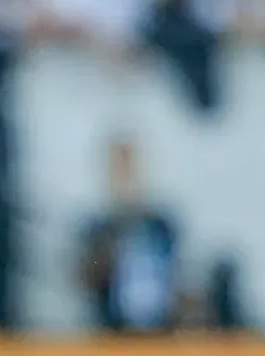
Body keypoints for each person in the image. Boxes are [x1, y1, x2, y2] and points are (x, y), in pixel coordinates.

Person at [73, 133, 185, 335]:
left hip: (161, 338)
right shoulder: (97, 229)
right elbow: (83, 280)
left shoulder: (161, 226)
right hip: (111, 338)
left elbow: (179, 278)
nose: (126, 177)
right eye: (118, 169)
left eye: (130, 168)